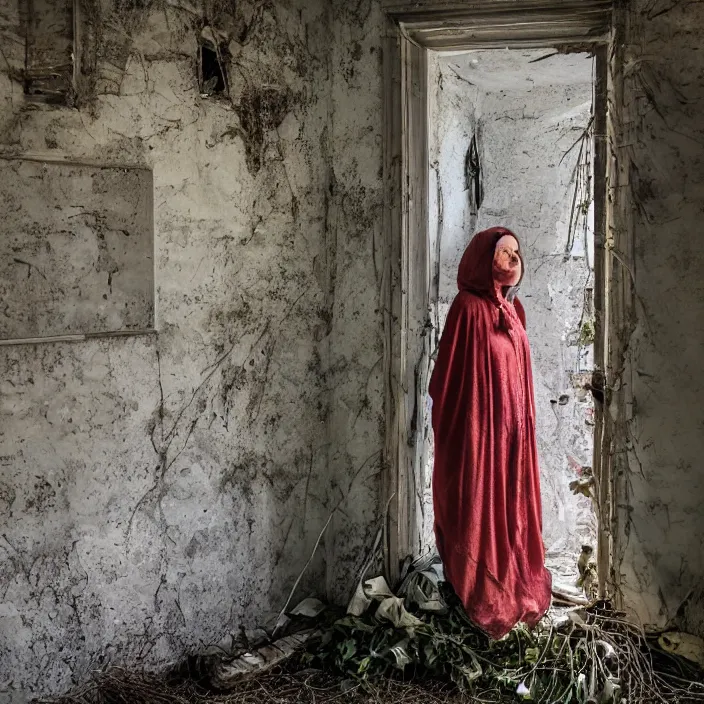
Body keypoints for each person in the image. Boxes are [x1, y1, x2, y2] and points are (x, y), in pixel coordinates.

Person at [429, 226, 552, 639]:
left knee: (512, 509)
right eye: (504, 252)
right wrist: (473, 429)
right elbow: (447, 381)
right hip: (481, 440)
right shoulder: (467, 309)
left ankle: (515, 578)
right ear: (484, 259)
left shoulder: (513, 314)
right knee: (478, 504)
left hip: (512, 441)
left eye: (517, 251)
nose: (514, 258)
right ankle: (479, 588)